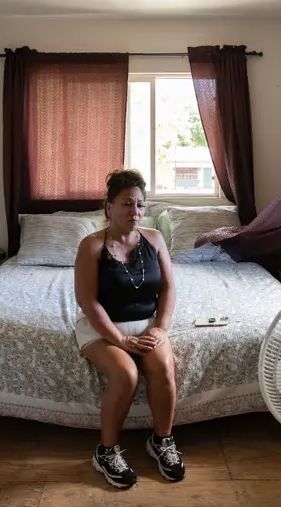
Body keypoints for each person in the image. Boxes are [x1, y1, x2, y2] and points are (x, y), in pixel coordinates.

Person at [74, 169, 184, 489]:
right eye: (125, 204)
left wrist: (161, 329)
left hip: (147, 324)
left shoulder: (155, 239)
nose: (134, 212)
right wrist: (120, 339)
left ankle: (161, 441)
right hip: (102, 327)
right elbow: (88, 302)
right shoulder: (91, 246)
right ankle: (105, 451)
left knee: (164, 366)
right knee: (126, 375)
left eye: (139, 205)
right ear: (109, 207)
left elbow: (168, 290)